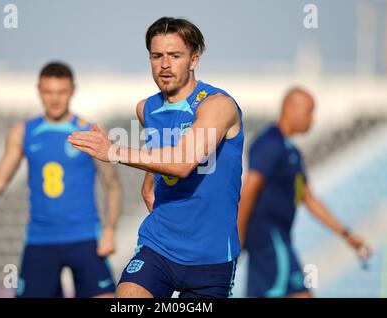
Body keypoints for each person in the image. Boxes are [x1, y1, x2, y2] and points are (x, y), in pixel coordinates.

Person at [68, 17, 244, 298]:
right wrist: (150, 182)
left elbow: (184, 162)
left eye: (175, 56)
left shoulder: (218, 105)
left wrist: (113, 151)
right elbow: (161, 149)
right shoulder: (146, 108)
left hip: (210, 259)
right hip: (158, 246)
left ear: (193, 60)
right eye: (156, 55)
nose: (164, 64)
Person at [0, 62, 122, 298]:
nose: (55, 99)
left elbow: (112, 185)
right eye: (49, 92)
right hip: (41, 240)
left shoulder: (90, 132)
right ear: (39, 90)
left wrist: (109, 231)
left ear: (72, 91)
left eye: (61, 92)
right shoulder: (24, 132)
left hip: (85, 238)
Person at [237, 87, 371, 298]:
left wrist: (347, 235)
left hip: (276, 239)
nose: (313, 119)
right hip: (269, 238)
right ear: (291, 109)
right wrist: (239, 234)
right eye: (310, 111)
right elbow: (250, 187)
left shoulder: (292, 152)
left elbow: (309, 199)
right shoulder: (270, 143)